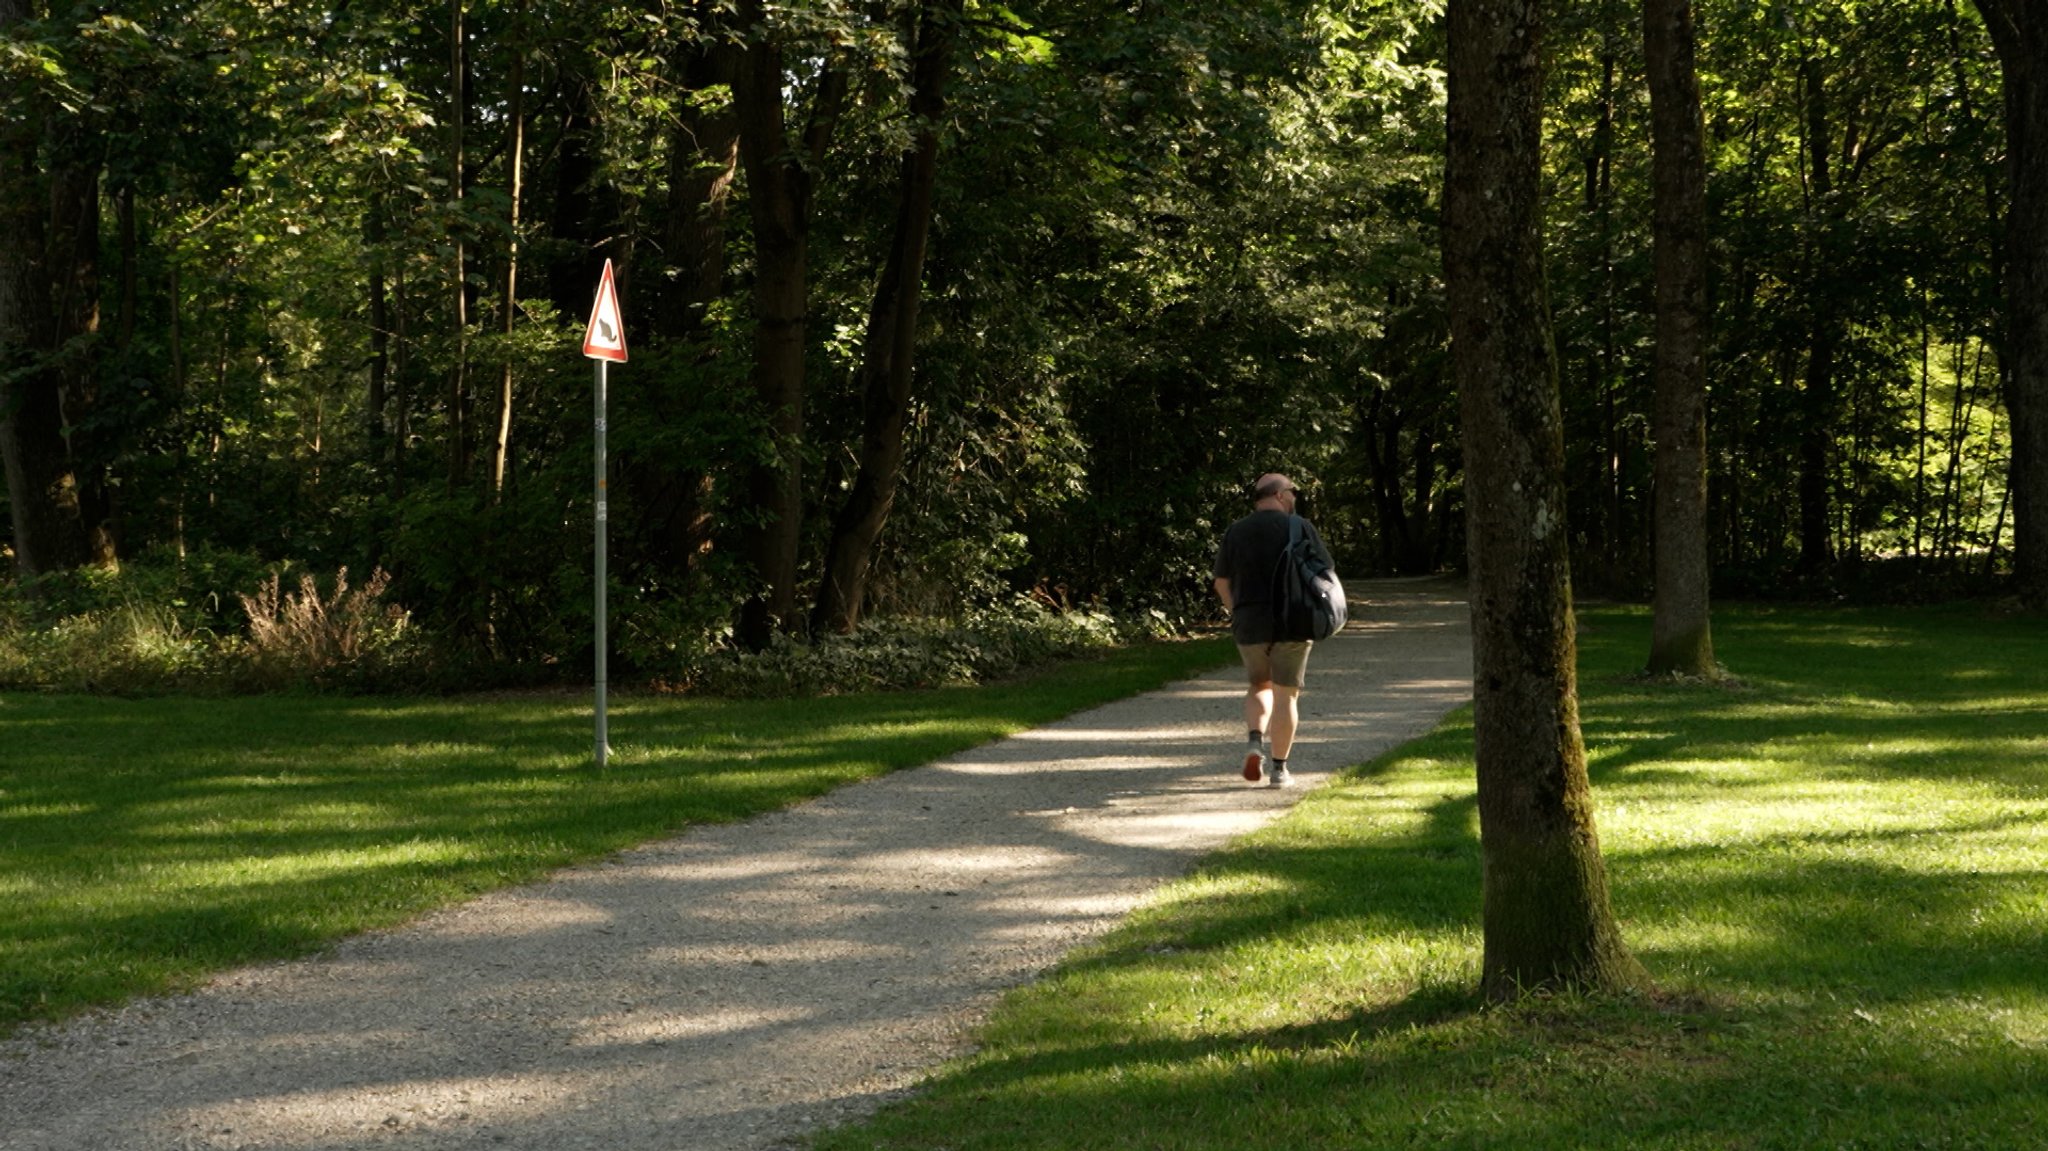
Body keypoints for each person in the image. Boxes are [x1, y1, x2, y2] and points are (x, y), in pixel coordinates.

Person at [1211, 473, 1335, 788]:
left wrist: (1234, 612)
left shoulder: (1235, 532)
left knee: (1258, 685)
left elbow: (1221, 582)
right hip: (1293, 621)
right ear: (1279, 494)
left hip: (1250, 622)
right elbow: (1325, 573)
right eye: (1292, 491)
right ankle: (1280, 770)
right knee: (1286, 696)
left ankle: (1255, 741)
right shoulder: (1300, 527)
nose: (1294, 497)